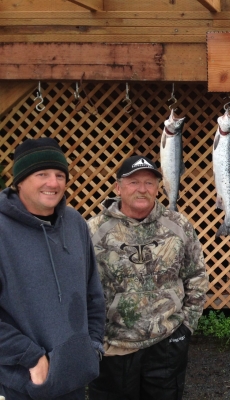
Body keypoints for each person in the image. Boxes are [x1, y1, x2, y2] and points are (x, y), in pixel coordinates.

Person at [87, 155, 208, 400]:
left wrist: (186, 327)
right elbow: (79, 288)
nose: (142, 189)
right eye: (133, 182)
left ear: (157, 188)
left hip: (167, 343)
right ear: (118, 187)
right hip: (114, 348)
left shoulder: (178, 225)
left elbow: (196, 275)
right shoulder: (93, 230)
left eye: (149, 183)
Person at [0, 137, 105, 400]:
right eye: (42, 174)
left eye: (60, 174)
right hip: (22, 382)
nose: (54, 183)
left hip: (74, 378)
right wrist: (32, 358)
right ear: (20, 180)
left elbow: (93, 292)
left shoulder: (75, 223)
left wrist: (92, 347)